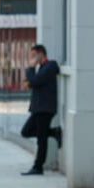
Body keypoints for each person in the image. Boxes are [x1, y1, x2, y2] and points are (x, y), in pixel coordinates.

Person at [22, 43, 62, 175]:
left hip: (45, 108)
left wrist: (31, 68)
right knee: (26, 131)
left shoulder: (50, 66)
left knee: (41, 139)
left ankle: (38, 166)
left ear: (41, 54)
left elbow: (34, 81)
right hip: (38, 108)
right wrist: (31, 77)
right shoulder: (42, 68)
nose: (32, 58)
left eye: (33, 55)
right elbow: (31, 82)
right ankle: (54, 132)